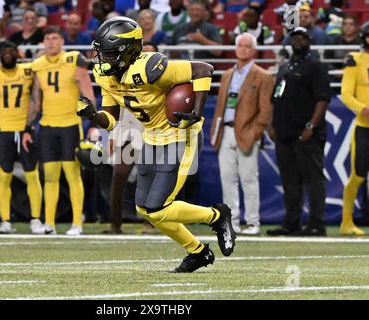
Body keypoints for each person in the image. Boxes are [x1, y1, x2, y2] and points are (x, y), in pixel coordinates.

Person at [77, 16, 236, 273]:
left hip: (179, 136)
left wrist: (196, 111)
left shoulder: (150, 67)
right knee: (145, 208)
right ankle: (197, 252)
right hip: (151, 137)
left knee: (159, 207)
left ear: (125, 51)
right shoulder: (106, 75)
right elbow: (111, 120)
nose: (101, 60)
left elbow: (204, 69)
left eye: (106, 54)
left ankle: (217, 216)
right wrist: (92, 115)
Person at [23, 26, 95, 235]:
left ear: (62, 41)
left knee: (72, 175)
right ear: (43, 41)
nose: (51, 42)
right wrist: (28, 127)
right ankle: (49, 224)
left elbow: (88, 92)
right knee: (50, 177)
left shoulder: (73, 59)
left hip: (70, 125)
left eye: (55, 38)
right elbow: (35, 99)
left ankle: (76, 224)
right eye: (48, 38)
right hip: (47, 126)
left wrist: (93, 124)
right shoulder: (38, 64)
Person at [267, 27, 331, 236]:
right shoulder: (284, 67)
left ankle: (316, 224)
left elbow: (322, 99)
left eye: (302, 38)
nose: (298, 41)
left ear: (309, 42)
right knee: (289, 179)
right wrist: (271, 124)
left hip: (306, 133)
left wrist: (311, 126)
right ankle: (291, 223)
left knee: (313, 178)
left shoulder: (316, 66)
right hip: (284, 133)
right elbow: (275, 99)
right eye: (294, 38)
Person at [210, 33, 273, 235]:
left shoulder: (263, 76)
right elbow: (220, 106)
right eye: (240, 45)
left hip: (247, 131)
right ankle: (232, 221)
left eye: (248, 46)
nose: (243, 49)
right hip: (225, 129)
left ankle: (253, 222)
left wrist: (255, 131)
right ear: (235, 49)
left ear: (254, 50)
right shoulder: (227, 74)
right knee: (227, 178)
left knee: (248, 178)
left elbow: (265, 110)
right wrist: (215, 130)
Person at [0, 41, 44, 234]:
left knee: (32, 174)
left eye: (11, 50)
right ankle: (6, 221)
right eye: (4, 51)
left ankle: (36, 219)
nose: (7, 54)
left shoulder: (28, 71)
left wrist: (29, 125)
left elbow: (36, 98)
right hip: (4, 131)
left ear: (17, 53)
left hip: (25, 130)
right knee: (4, 176)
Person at [339, 25, 369, 236]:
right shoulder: (354, 59)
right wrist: (363, 109)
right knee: (358, 175)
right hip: (364, 127)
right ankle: (346, 222)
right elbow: (346, 94)